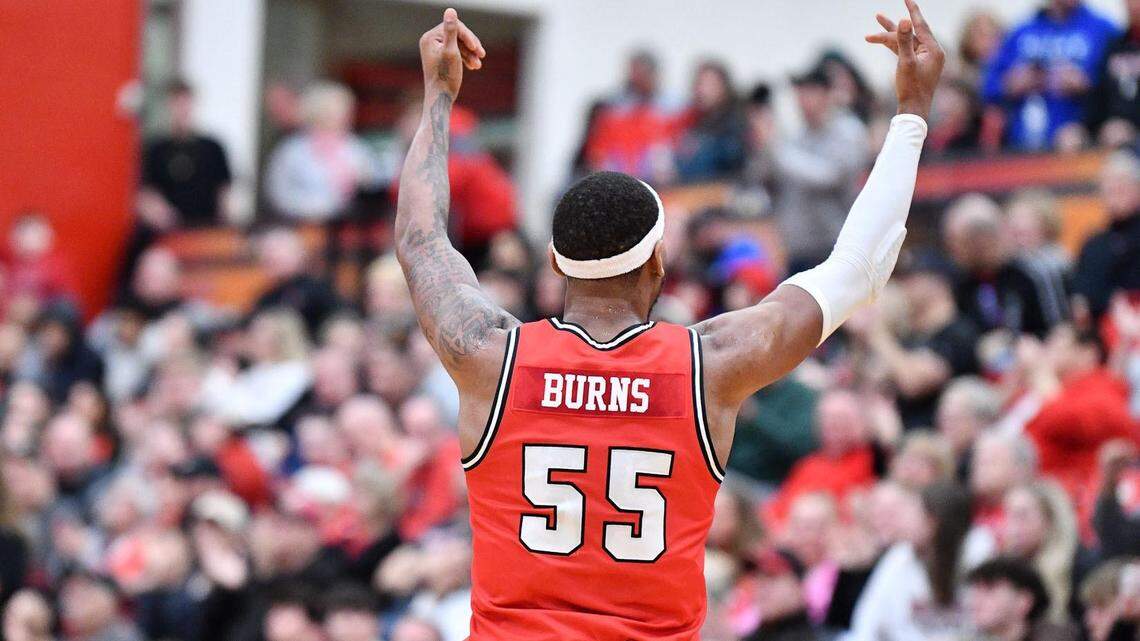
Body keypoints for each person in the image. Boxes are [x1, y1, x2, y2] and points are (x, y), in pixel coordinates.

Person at [393, 4, 943, 639]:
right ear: (658, 260)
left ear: (555, 263)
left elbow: (420, 240)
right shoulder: (710, 366)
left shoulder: (491, 358)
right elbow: (858, 268)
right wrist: (912, 111)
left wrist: (438, 95)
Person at [766, 62, 869, 273]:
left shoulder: (848, 131)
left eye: (809, 92)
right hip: (797, 248)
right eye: (799, 94)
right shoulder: (797, 136)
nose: (802, 101)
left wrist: (776, 148)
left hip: (836, 245)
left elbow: (830, 177)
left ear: (827, 95)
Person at [846, 482, 977, 640]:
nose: (903, 520)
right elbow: (867, 623)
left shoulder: (976, 553)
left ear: (933, 522)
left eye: (913, 513)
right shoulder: (898, 557)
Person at [981, 0, 1117, 150]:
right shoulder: (1022, 31)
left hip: (1080, 145)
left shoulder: (1104, 29)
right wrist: (1010, 85)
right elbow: (988, 87)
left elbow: (1121, 91)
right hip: (1020, 145)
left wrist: (1088, 84)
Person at [943, 193, 1069, 338]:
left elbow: (1061, 331)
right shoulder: (961, 284)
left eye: (958, 243)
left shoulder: (1031, 274)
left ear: (981, 241)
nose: (953, 252)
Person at [264, 81, 384, 222]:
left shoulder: (355, 147)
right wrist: (315, 209)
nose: (344, 118)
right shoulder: (292, 150)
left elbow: (373, 182)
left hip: (348, 225)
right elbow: (278, 193)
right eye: (334, 114)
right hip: (304, 225)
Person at [138, 79, 232, 228]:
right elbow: (146, 192)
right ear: (168, 106)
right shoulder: (156, 150)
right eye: (177, 104)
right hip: (168, 230)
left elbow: (224, 192)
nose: (182, 110)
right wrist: (157, 212)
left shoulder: (213, 148)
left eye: (186, 103)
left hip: (206, 228)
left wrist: (225, 226)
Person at [1073, 150, 1140, 320]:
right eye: (1108, 186)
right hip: (1103, 327)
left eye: (1122, 184)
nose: (1114, 190)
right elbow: (1082, 299)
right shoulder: (1094, 244)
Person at [963, 557, 1079, 641]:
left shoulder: (1054, 637)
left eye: (989, 590)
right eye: (976, 590)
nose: (976, 600)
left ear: (1024, 601)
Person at [673, 60, 746, 183]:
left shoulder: (735, 123)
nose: (701, 91)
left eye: (709, 85)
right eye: (699, 84)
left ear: (723, 88)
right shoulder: (696, 121)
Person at [1084, 0, 1140, 148]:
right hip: (1111, 132)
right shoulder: (1115, 45)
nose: (1135, 5)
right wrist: (1083, 127)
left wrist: (1133, 129)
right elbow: (1099, 95)